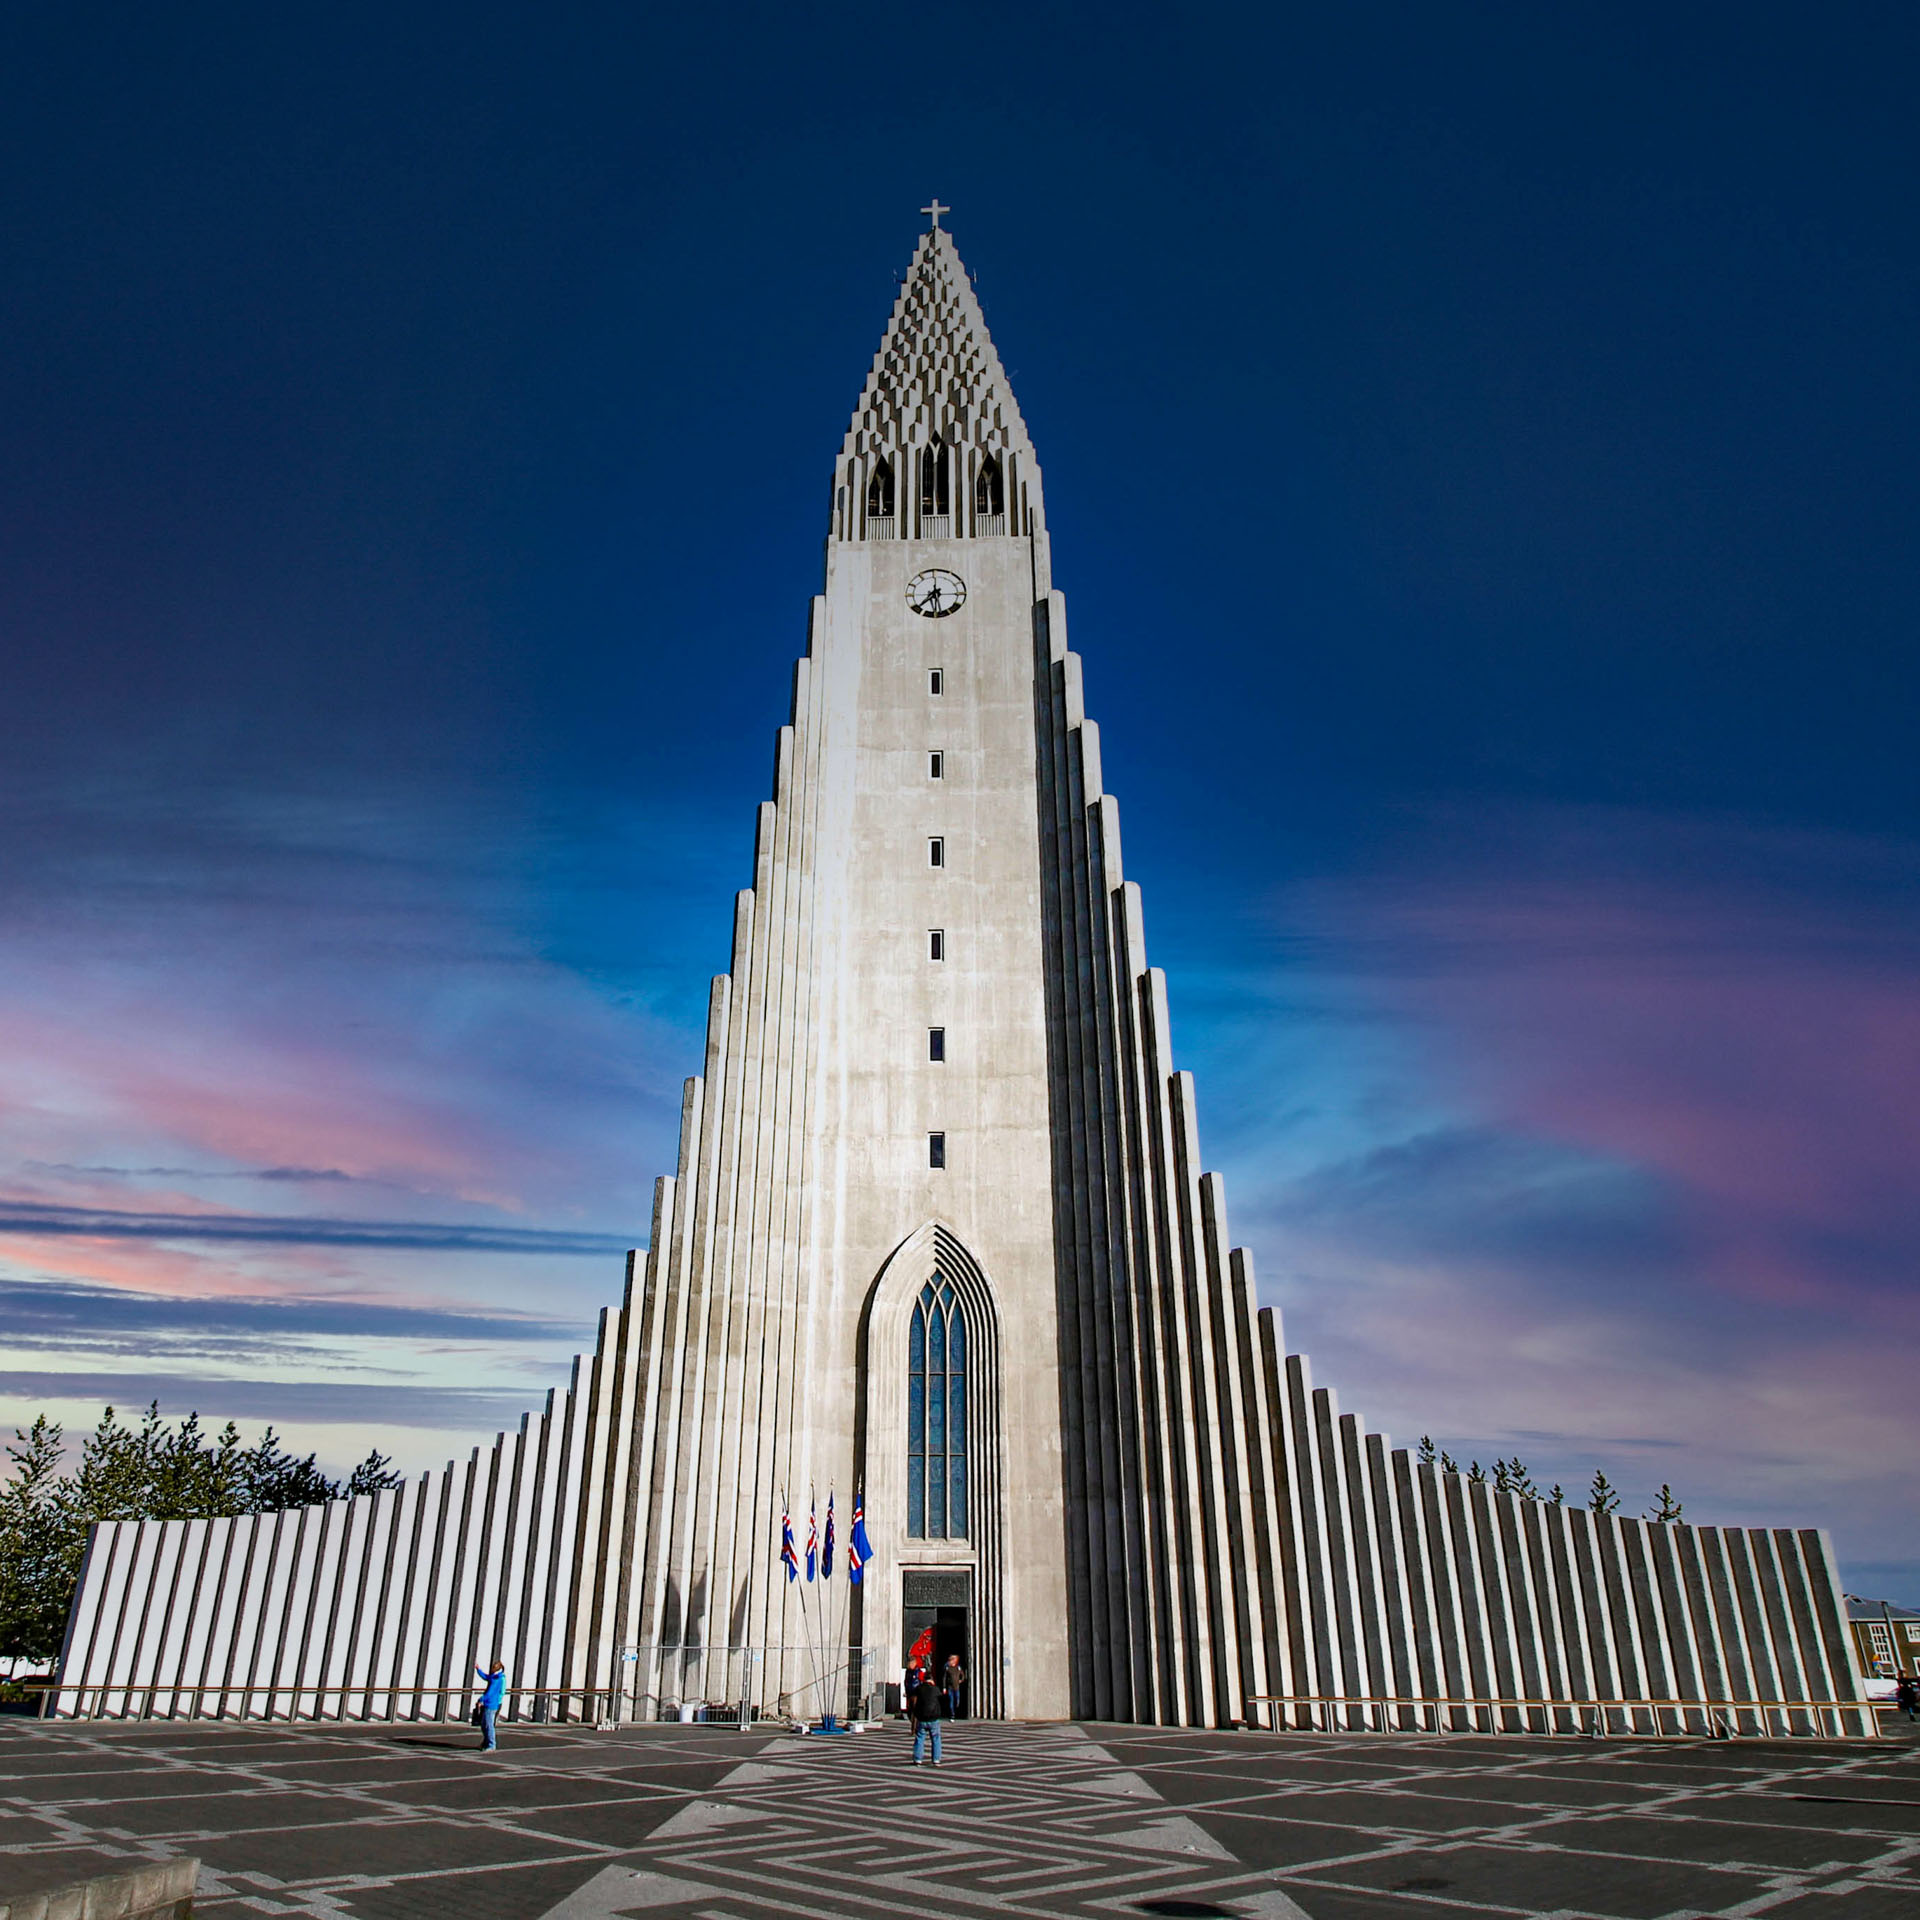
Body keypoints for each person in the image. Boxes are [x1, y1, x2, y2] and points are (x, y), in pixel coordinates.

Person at [909, 1668, 943, 1766]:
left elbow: (913, 1699)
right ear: (932, 1680)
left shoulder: (919, 1688)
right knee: (936, 1738)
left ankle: (918, 1759)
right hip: (934, 1718)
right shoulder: (936, 1689)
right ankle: (936, 1759)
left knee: (920, 1738)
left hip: (922, 1718)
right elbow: (941, 1700)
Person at [475, 1660, 506, 1751]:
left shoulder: (497, 1679)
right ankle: (486, 1742)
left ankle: (491, 1744)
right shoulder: (495, 1677)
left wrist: (481, 1699)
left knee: (489, 1725)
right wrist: (478, 1669)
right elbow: (486, 1677)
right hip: (489, 1703)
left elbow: (490, 1692)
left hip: (491, 1704)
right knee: (484, 1725)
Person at [941, 1653, 966, 1722]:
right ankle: (952, 1715)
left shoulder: (958, 1667)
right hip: (950, 1687)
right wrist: (944, 1687)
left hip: (957, 1687)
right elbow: (944, 1678)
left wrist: (961, 1680)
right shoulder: (947, 1668)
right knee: (951, 1701)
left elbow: (962, 1675)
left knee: (957, 1701)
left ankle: (957, 1711)